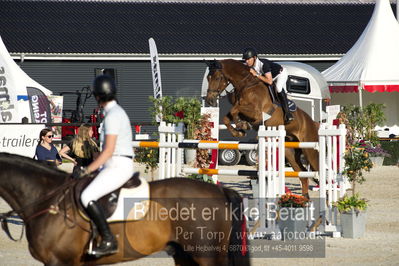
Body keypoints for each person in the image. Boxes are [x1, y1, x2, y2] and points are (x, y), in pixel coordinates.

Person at [74, 75, 134, 258]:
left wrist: (87, 169)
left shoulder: (112, 116)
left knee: (86, 195)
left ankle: (109, 240)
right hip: (113, 163)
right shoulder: (114, 112)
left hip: (117, 165)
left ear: (97, 96)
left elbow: (108, 151)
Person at [242, 47, 294, 123]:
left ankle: (288, 113)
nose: (246, 62)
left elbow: (269, 81)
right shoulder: (249, 65)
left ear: (254, 57)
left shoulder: (263, 65)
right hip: (269, 77)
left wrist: (256, 74)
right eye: (245, 60)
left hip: (280, 74)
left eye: (248, 59)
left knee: (278, 88)